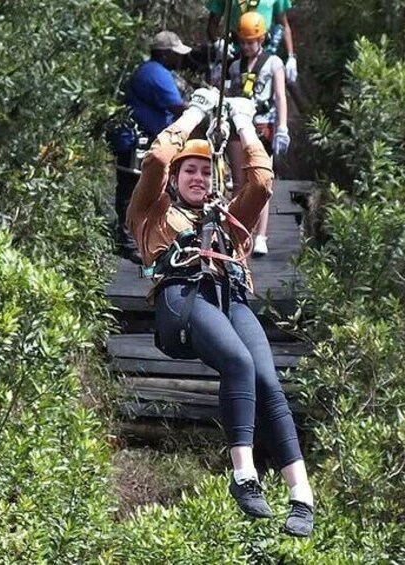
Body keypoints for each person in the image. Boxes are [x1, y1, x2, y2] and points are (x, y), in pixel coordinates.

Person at [126, 87, 315, 537]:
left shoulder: (228, 216)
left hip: (229, 297)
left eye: (205, 172)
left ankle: (301, 495)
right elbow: (154, 161)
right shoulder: (150, 214)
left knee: (268, 379)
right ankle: (244, 474)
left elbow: (263, 183)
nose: (198, 179)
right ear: (175, 179)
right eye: (189, 171)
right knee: (238, 361)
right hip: (184, 298)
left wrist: (245, 124)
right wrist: (195, 114)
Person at [111, 31, 189, 264]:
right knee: (130, 190)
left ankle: (143, 237)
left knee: (146, 189)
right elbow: (177, 108)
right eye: (176, 54)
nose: (180, 59)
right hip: (135, 141)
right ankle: (127, 241)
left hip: (144, 139)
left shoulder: (156, 71)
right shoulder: (156, 74)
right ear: (165, 54)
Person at [226, 11, 288, 256]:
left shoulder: (273, 63)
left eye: (250, 41)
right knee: (239, 182)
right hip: (238, 126)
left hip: (262, 126)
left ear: (261, 39)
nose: (246, 46)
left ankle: (261, 234)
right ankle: (237, 230)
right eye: (242, 42)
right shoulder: (233, 67)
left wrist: (282, 126)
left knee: (261, 181)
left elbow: (280, 96)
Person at [206, 0, 298, 83]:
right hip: (234, 53)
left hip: (265, 53)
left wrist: (291, 57)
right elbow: (212, 24)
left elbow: (284, 25)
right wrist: (217, 43)